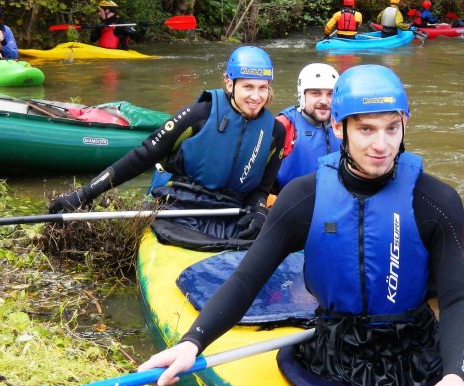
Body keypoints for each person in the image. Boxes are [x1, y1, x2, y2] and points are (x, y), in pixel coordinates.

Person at [138, 64, 464, 386]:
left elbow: (456, 300)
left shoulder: (437, 202)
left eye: (392, 128)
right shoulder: (303, 198)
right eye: (366, 129)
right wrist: (193, 342)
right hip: (335, 353)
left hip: (418, 354)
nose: (381, 145)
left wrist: (456, 374)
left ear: (405, 122)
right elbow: (247, 280)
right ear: (339, 127)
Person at [48, 46, 286, 249]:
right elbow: (143, 156)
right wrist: (84, 194)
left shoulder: (275, 132)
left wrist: (258, 211)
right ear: (229, 83)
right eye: (248, 87)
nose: (256, 96)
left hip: (232, 214)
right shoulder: (197, 115)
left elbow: (261, 190)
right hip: (180, 210)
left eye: (262, 87)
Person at [274, 63, 341, 192]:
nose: (324, 101)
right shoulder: (284, 125)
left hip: (336, 203)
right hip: (293, 203)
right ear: (302, 95)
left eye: (330, 94)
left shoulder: (347, 126)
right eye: (316, 93)